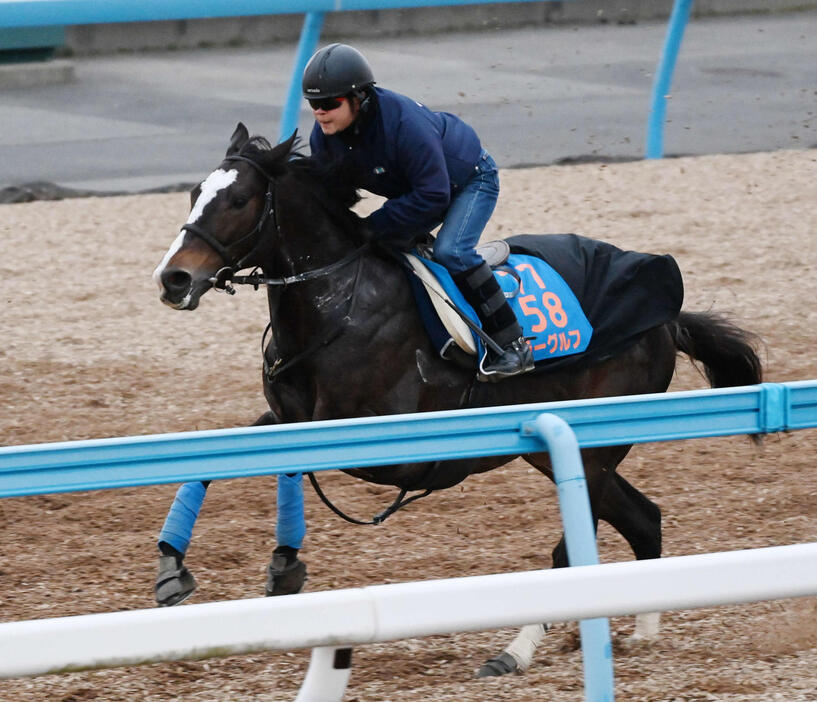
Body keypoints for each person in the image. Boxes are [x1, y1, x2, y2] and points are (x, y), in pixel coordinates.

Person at [302, 43, 534, 381]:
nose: (319, 112)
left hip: (469, 181)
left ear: (360, 98)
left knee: (451, 252)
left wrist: (374, 226)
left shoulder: (404, 125)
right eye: (313, 104)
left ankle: (512, 344)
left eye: (329, 103)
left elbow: (433, 195)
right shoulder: (325, 137)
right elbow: (331, 197)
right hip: (422, 189)